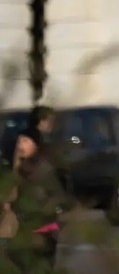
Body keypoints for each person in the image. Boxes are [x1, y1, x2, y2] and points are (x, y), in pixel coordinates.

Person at [0, 108, 69, 272]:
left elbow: (60, 199)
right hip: (24, 233)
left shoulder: (44, 170)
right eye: (19, 141)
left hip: (41, 233)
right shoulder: (19, 169)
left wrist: (34, 212)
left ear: (35, 145)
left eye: (25, 141)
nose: (20, 145)